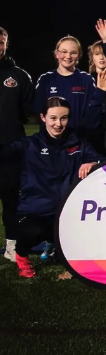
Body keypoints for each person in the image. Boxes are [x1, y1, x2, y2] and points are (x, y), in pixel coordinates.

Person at [1, 97, 100, 278]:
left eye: (63, 118)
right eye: (53, 118)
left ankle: (55, 243)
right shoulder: (30, 144)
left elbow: (102, 162)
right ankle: (22, 257)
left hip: (67, 212)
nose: (58, 124)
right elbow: (6, 152)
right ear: (43, 117)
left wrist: (92, 163)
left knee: (86, 244)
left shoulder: (78, 144)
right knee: (30, 233)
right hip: (35, 211)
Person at [0, 26, 34, 262]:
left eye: (0, 41)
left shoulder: (19, 76)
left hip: (10, 148)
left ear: (6, 43)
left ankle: (11, 245)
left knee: (11, 198)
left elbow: (27, 111)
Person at [33, 36, 97, 133]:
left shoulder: (87, 79)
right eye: (64, 52)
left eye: (73, 53)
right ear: (56, 54)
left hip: (79, 139)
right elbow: (39, 110)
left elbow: (92, 111)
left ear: (79, 55)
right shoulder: (45, 79)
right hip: (52, 139)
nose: (68, 56)